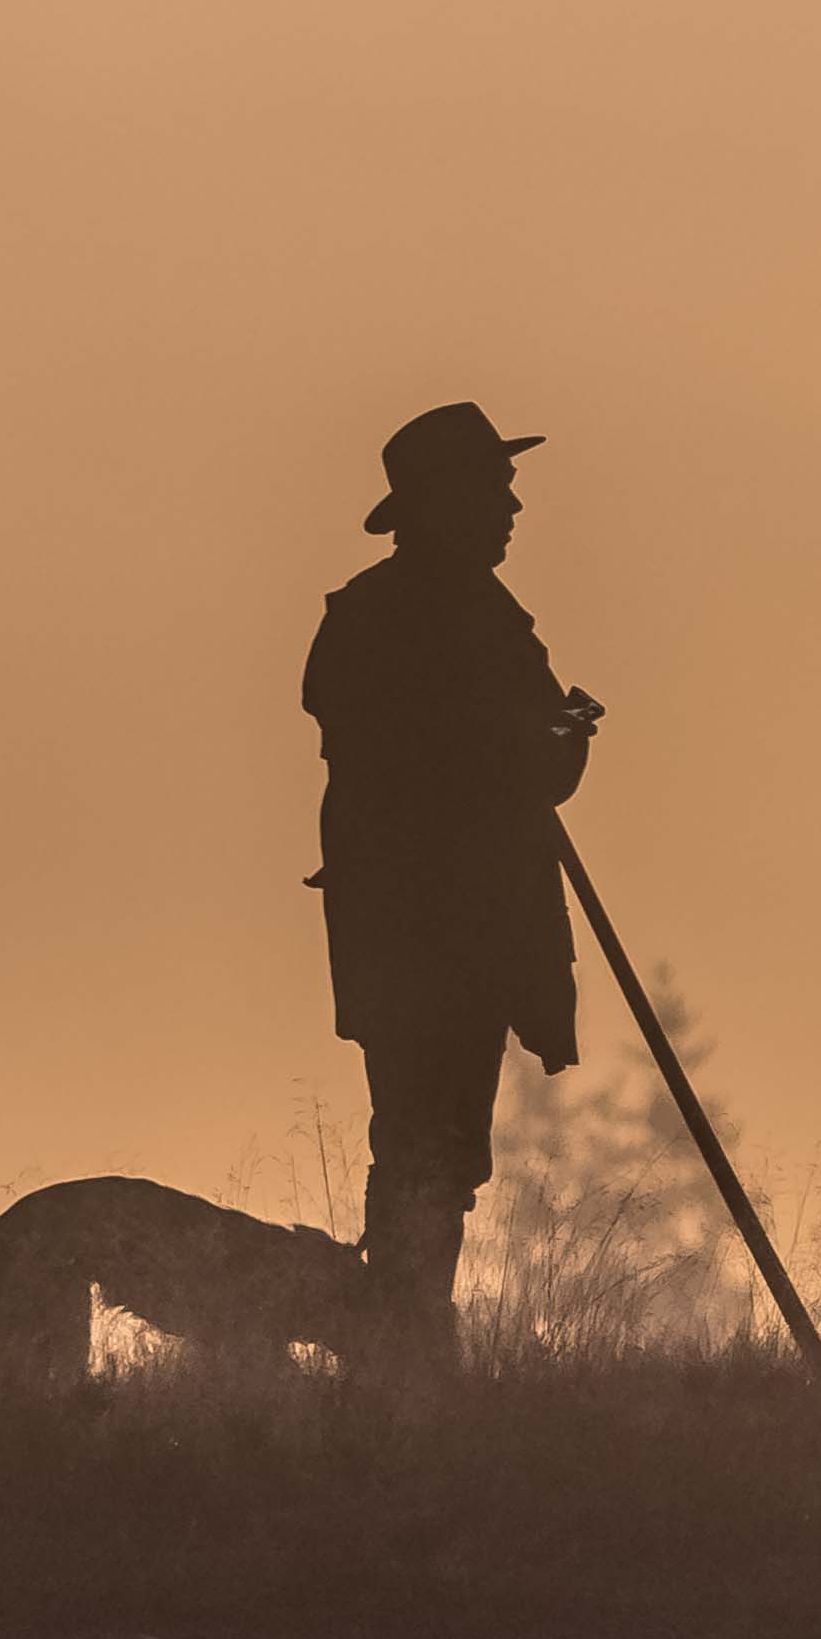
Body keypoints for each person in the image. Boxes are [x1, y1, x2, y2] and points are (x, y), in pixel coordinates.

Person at [301, 402, 599, 1370]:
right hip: (431, 929)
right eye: (493, 489)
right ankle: (404, 1346)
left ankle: (405, 1343)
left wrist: (550, 740)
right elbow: (465, 767)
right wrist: (553, 737)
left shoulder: (438, 612)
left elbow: (508, 762)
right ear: (441, 501)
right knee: (427, 1145)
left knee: (437, 1146)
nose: (512, 508)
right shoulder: (417, 616)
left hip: (440, 927)